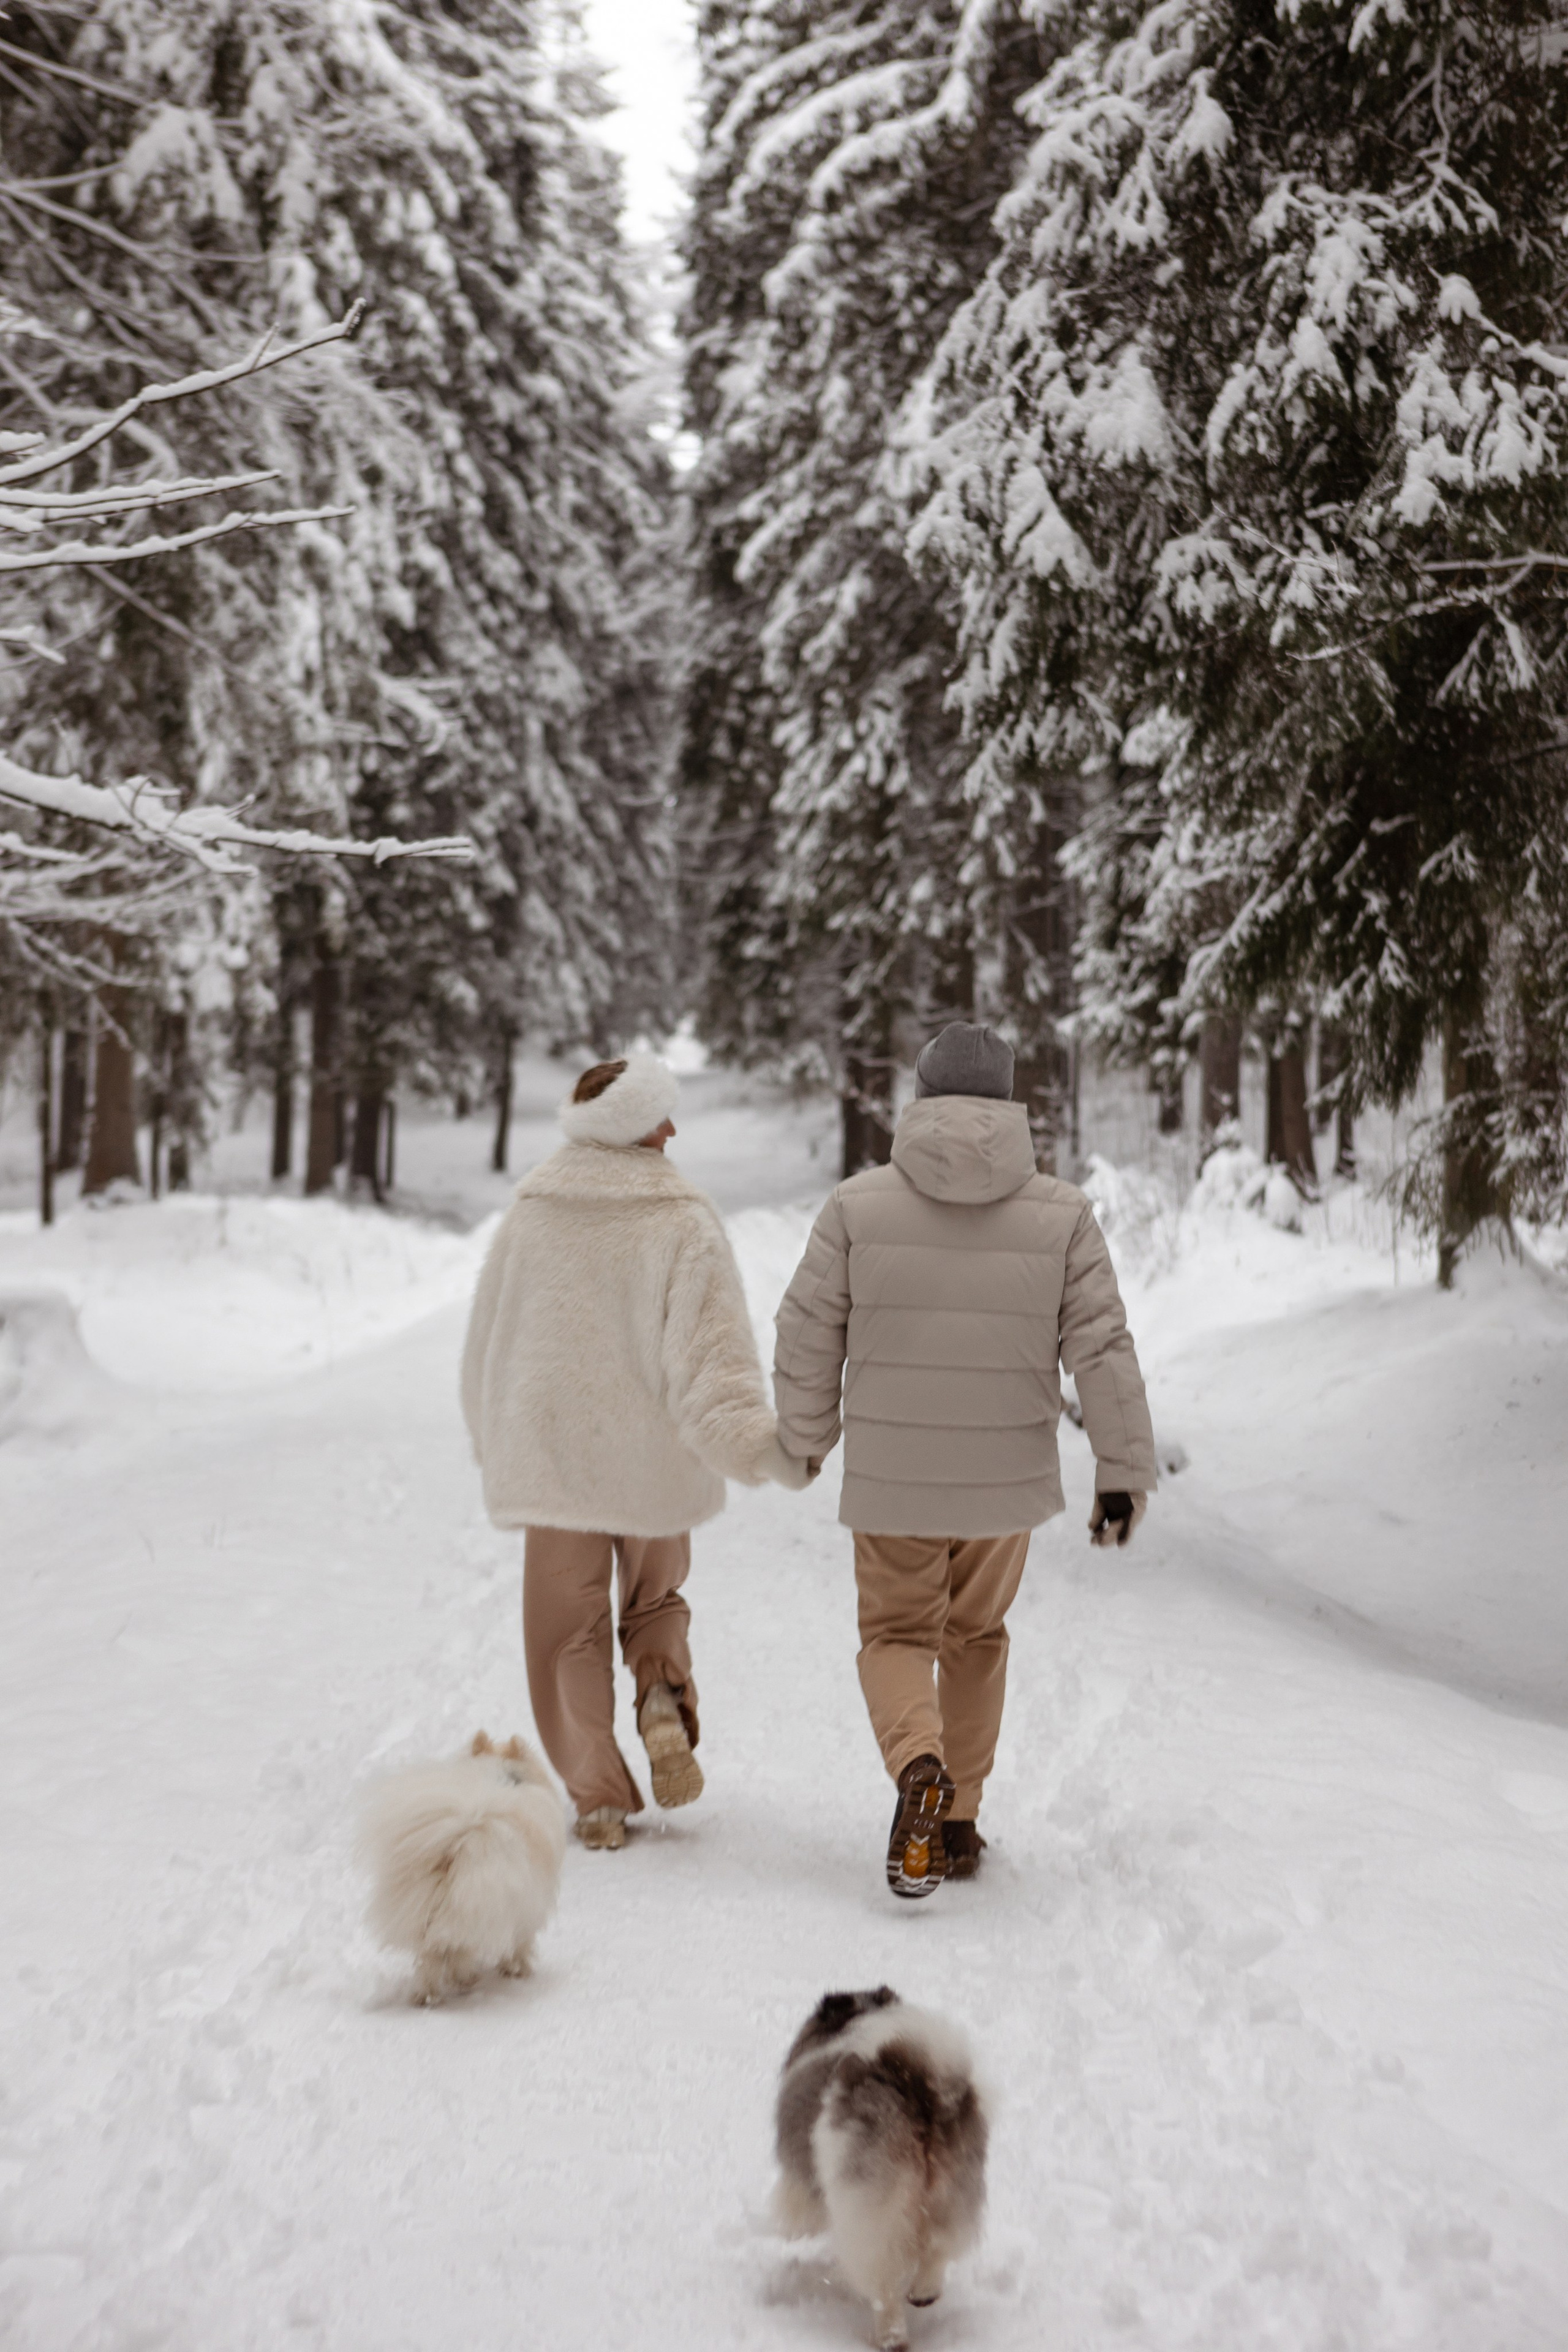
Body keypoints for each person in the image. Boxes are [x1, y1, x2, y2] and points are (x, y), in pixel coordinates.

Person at [772, 1022, 1156, 1898]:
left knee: (898, 1635)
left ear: (925, 1097)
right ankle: (957, 1824)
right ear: (1009, 1102)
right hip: (1003, 1483)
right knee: (975, 1636)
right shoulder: (1063, 1213)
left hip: (893, 1480)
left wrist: (804, 1439)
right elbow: (1102, 1344)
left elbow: (805, 1331)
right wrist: (1121, 1469)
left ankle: (918, 1767)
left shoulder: (857, 1205)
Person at [462, 1050, 811, 1850]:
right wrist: (762, 1450)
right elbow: (714, 1365)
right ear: (638, 1128)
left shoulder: (532, 1212)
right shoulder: (681, 1218)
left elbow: (487, 1342)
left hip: (552, 1458)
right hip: (653, 1461)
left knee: (565, 1631)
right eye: (662, 1118)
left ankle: (599, 1799)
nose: (675, 1129)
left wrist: (492, 1439)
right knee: (653, 1602)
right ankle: (660, 1693)